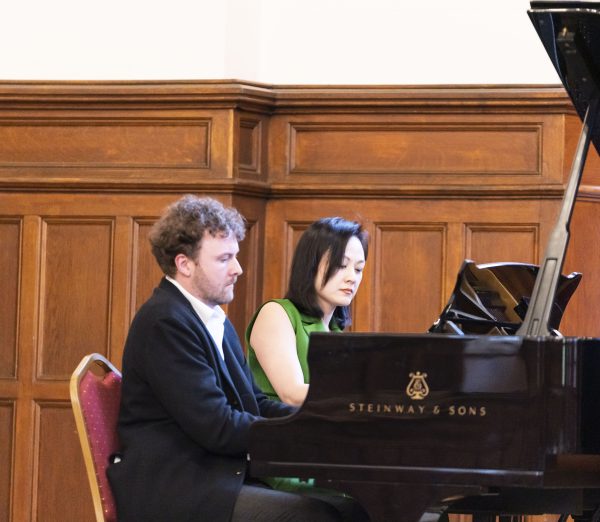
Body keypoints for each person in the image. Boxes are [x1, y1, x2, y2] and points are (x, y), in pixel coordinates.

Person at [107, 196, 369, 522]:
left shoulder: (213, 319)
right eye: (224, 259)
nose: (238, 269)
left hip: (216, 476)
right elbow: (217, 426)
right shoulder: (166, 323)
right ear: (184, 264)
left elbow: (255, 403)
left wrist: (316, 423)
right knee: (318, 517)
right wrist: (305, 436)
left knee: (353, 510)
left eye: (236, 256)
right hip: (178, 486)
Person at [246, 217, 368, 407]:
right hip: (279, 424)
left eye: (358, 269)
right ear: (310, 265)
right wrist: (368, 394)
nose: (352, 277)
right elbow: (292, 393)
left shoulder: (336, 331)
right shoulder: (276, 313)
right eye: (341, 265)